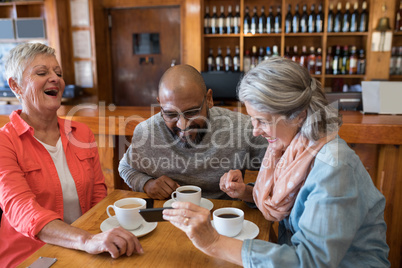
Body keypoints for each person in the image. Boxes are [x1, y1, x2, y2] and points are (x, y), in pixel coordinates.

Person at [163, 57, 390, 267]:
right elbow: (293, 202)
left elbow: (311, 261)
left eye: (262, 120)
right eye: (253, 119)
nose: (255, 131)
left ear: (299, 114)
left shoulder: (334, 168)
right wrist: (247, 193)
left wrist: (214, 242)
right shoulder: (294, 147)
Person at [0, 43, 143, 268]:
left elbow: (98, 196)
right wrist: (86, 240)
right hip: (31, 257)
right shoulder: (4, 142)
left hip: (83, 249)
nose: (55, 78)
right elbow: (22, 210)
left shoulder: (81, 133)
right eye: (42, 73)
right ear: (16, 85)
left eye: (58, 73)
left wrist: (102, 237)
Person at [119, 64, 267, 200]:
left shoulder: (241, 128)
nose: (183, 125)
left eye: (192, 112)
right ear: (160, 104)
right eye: (171, 114)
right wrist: (146, 184)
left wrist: (247, 191)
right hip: (168, 216)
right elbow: (125, 167)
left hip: (221, 219)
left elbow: (281, 168)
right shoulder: (147, 133)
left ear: (209, 99)